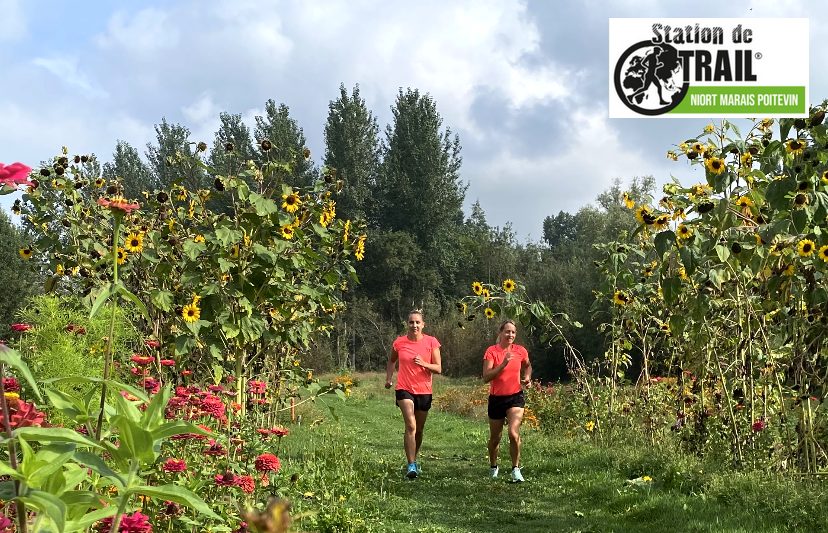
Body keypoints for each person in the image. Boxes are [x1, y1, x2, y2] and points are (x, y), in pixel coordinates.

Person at [385, 310, 442, 479]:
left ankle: (414, 460)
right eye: (411, 322)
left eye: (418, 322)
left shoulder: (432, 342)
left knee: (419, 430)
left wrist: (424, 363)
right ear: (407, 324)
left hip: (424, 391)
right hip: (404, 389)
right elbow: (391, 361)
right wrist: (389, 378)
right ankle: (411, 465)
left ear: (423, 325)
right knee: (411, 426)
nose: (414, 325)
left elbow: (438, 368)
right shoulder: (399, 342)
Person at [482, 319, 532, 483]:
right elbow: (486, 377)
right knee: (495, 438)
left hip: (515, 397)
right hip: (496, 399)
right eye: (507, 331)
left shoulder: (520, 351)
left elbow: (528, 365)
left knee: (513, 432)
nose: (510, 335)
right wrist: (503, 364)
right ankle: (493, 466)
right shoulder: (492, 351)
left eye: (513, 332)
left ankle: (516, 469)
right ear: (501, 333)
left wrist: (527, 377)